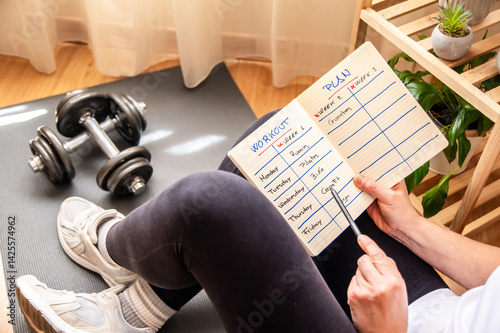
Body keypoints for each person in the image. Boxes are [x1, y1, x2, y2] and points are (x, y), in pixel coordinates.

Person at [16, 111, 500, 333]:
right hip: (432, 308)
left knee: (209, 203)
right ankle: (139, 295)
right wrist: (410, 228)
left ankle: (124, 256)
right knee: (277, 140)